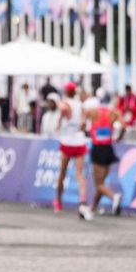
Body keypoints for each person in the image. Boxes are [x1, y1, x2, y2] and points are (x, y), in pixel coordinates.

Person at [53, 84, 93, 220]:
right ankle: (82, 200)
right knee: (80, 174)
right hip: (79, 141)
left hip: (67, 142)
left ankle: (58, 201)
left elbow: (63, 110)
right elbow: (83, 123)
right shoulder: (80, 104)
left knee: (62, 173)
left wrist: (61, 117)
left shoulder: (65, 103)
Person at [85, 88, 124, 216]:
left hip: (98, 148)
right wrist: (119, 137)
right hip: (108, 148)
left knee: (99, 183)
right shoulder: (113, 112)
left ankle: (114, 197)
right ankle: (92, 207)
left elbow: (82, 125)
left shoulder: (93, 112)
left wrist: (89, 133)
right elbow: (123, 126)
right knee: (101, 182)